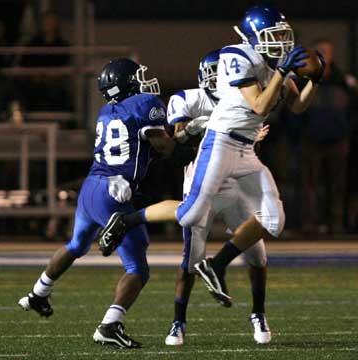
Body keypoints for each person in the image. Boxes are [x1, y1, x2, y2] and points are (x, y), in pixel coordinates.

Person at [96, 4, 323, 318]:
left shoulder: (273, 66)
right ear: (254, 35)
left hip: (246, 150)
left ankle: (216, 265)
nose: (281, 42)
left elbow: (296, 106)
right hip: (221, 142)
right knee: (190, 216)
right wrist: (283, 71)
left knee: (275, 220)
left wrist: (315, 80)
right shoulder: (237, 55)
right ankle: (127, 220)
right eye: (274, 35)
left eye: (285, 35)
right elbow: (259, 106)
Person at [18, 58, 185, 349]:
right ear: (127, 83)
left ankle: (37, 292)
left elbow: (139, 147)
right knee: (138, 269)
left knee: (75, 245)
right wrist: (186, 136)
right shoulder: (145, 104)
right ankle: (110, 324)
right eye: (137, 77)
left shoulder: (106, 110)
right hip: (115, 191)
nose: (144, 81)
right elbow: (164, 147)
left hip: (92, 186)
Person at [164, 49, 272, 346]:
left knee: (258, 255)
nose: (216, 78)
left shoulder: (245, 96)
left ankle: (258, 313)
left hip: (237, 185)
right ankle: (178, 321)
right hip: (202, 185)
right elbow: (177, 150)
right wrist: (196, 129)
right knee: (190, 260)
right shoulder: (188, 99)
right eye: (211, 73)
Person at [299, 39, 352, 234]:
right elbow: (295, 108)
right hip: (311, 139)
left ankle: (336, 225)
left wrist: (346, 130)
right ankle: (309, 225)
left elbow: (352, 108)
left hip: (338, 139)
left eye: (328, 51)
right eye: (320, 51)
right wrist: (301, 132)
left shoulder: (343, 80)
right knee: (310, 185)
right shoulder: (304, 77)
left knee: (337, 185)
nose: (325, 55)